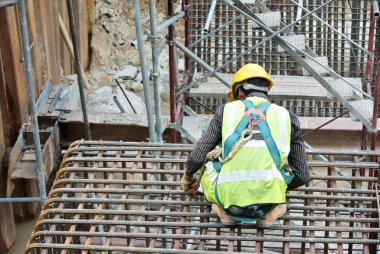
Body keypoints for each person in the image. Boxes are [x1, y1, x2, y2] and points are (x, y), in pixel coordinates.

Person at [181, 63, 310, 226]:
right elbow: (302, 176)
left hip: (230, 201)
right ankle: (271, 210)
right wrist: (275, 186)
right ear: (266, 91)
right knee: (279, 173)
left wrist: (187, 177)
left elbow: (197, 157)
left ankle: (224, 211)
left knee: (210, 167)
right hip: (267, 202)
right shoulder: (287, 116)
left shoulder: (225, 111)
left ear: (240, 92)